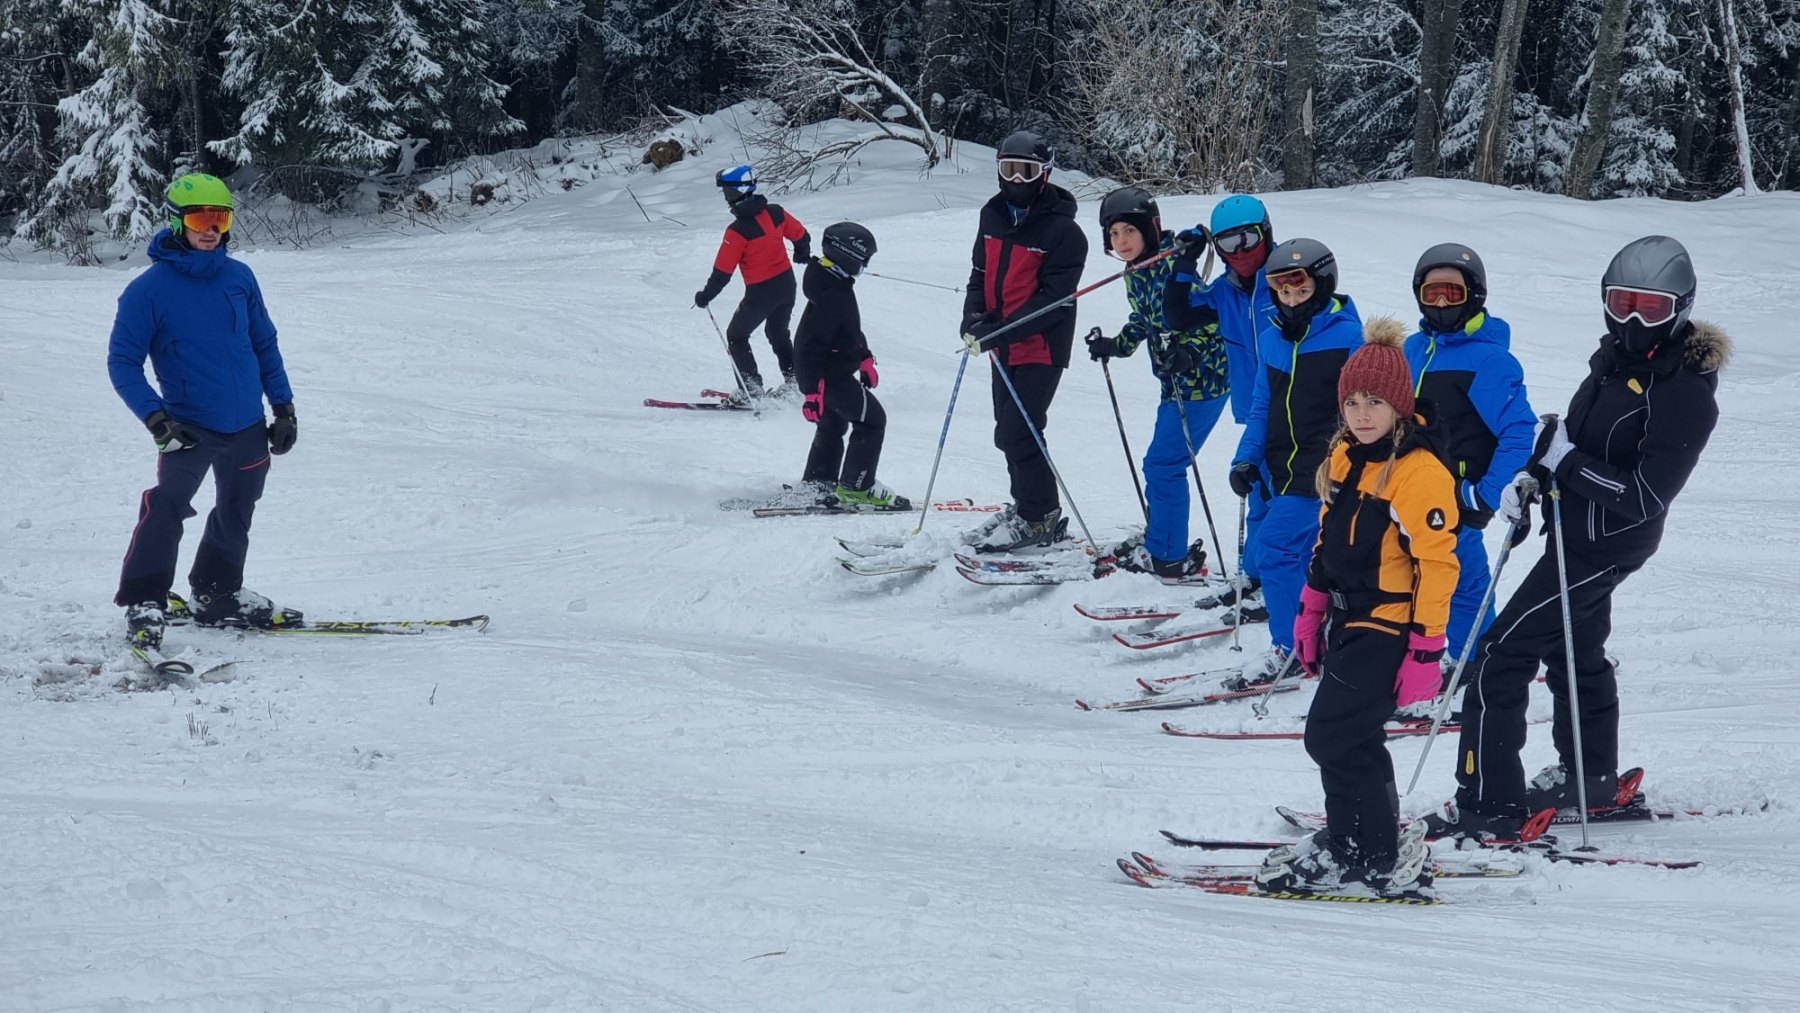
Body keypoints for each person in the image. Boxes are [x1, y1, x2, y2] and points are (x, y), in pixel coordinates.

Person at [1430, 235, 1728, 839]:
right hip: (1574, 532)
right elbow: (1577, 441)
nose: (1634, 321)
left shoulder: (1684, 392)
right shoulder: (1613, 361)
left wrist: (1563, 462)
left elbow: (1644, 496)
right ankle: (1590, 777)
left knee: (1498, 656)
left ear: (1681, 309)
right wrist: (1537, 472)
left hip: (1604, 545)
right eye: (1622, 303)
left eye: (1651, 308)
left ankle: (1490, 805)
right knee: (1574, 652)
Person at [1254, 327, 1459, 900]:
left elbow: (1438, 566)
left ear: (1399, 405)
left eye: (1375, 402)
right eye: (1352, 402)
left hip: (1388, 625)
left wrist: (1426, 649)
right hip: (1348, 619)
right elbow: (1329, 540)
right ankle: (1364, 842)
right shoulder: (1346, 456)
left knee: (1332, 736)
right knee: (1351, 737)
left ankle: (1365, 850)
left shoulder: (1419, 471)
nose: (1362, 414)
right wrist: (1310, 608)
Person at [108, 172, 300, 648]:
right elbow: (123, 362)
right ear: (177, 222)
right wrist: (157, 419)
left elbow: (264, 342)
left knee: (237, 507)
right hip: (187, 426)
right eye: (200, 219)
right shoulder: (148, 290)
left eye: (220, 219)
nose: (211, 229)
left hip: (248, 423)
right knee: (167, 508)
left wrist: (283, 407)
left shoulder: (240, 277)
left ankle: (217, 593)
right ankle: (144, 601)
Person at [1226, 238, 1364, 688]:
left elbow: (1365, 411)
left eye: (1300, 289)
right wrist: (1246, 459)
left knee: (1275, 549)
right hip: (1279, 468)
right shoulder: (1272, 339)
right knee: (1305, 558)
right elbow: (1262, 406)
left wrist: (1351, 465)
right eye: (1282, 291)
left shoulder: (1348, 338)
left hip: (1323, 468)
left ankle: (1289, 647)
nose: (1290, 299)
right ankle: (1314, 636)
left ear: (1322, 285)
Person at [1403, 244, 1536, 679]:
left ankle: (1475, 664)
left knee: (1461, 582)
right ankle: (1424, 655)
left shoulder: (1489, 360)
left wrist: (1485, 494)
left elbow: (1519, 431)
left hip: (1454, 497)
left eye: (1453, 293)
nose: (1441, 303)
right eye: (1432, 293)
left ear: (1474, 296)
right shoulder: (1412, 349)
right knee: (1408, 578)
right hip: (1405, 491)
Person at [1084, 186, 1228, 580]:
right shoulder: (1137, 271)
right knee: (1162, 463)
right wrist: (1117, 345)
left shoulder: (1172, 265)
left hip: (1203, 381)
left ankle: (1167, 555)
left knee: (1164, 465)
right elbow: (1144, 318)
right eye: (1114, 234)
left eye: (1129, 231)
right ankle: (1162, 537)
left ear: (1150, 228)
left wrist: (1190, 355)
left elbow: (1210, 319)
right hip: (1174, 382)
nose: (1121, 241)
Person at [959, 130, 1088, 552]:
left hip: (1041, 347)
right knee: (1007, 433)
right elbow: (979, 274)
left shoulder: (1064, 232)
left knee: (1020, 431)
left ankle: (1040, 516)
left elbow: (1053, 301)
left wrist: (1000, 330)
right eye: (1009, 169)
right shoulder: (992, 215)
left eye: (1026, 172)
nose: (1016, 180)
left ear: (1044, 174)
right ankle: (1027, 506)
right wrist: (973, 317)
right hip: (1001, 345)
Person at [1165, 194, 1279, 611]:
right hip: (1255, 410)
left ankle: (1283, 579)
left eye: (1248, 238)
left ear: (1267, 234)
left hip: (1297, 408)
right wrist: (1185, 262)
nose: (1240, 252)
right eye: (1228, 243)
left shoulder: (1287, 280)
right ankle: (1256, 576)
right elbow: (1177, 316)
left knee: (1289, 500)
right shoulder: (1224, 293)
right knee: (1261, 493)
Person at [794, 222, 910, 509]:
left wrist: (865, 359)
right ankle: (858, 488)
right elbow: (811, 346)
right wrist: (813, 391)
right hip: (830, 378)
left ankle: (819, 481)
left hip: (829, 375)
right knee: (873, 421)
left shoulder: (831, 282)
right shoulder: (832, 294)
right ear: (848, 254)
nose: (865, 266)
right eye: (864, 259)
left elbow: (847, 331)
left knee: (833, 422)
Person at [693, 164, 811, 399]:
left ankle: (751, 390)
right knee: (778, 333)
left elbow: (722, 272)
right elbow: (801, 235)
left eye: (726, 192)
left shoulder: (737, 231)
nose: (725, 197)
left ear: (735, 193)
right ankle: (796, 381)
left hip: (761, 294)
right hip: (786, 285)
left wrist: (705, 296)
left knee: (736, 336)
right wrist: (802, 252)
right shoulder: (775, 212)